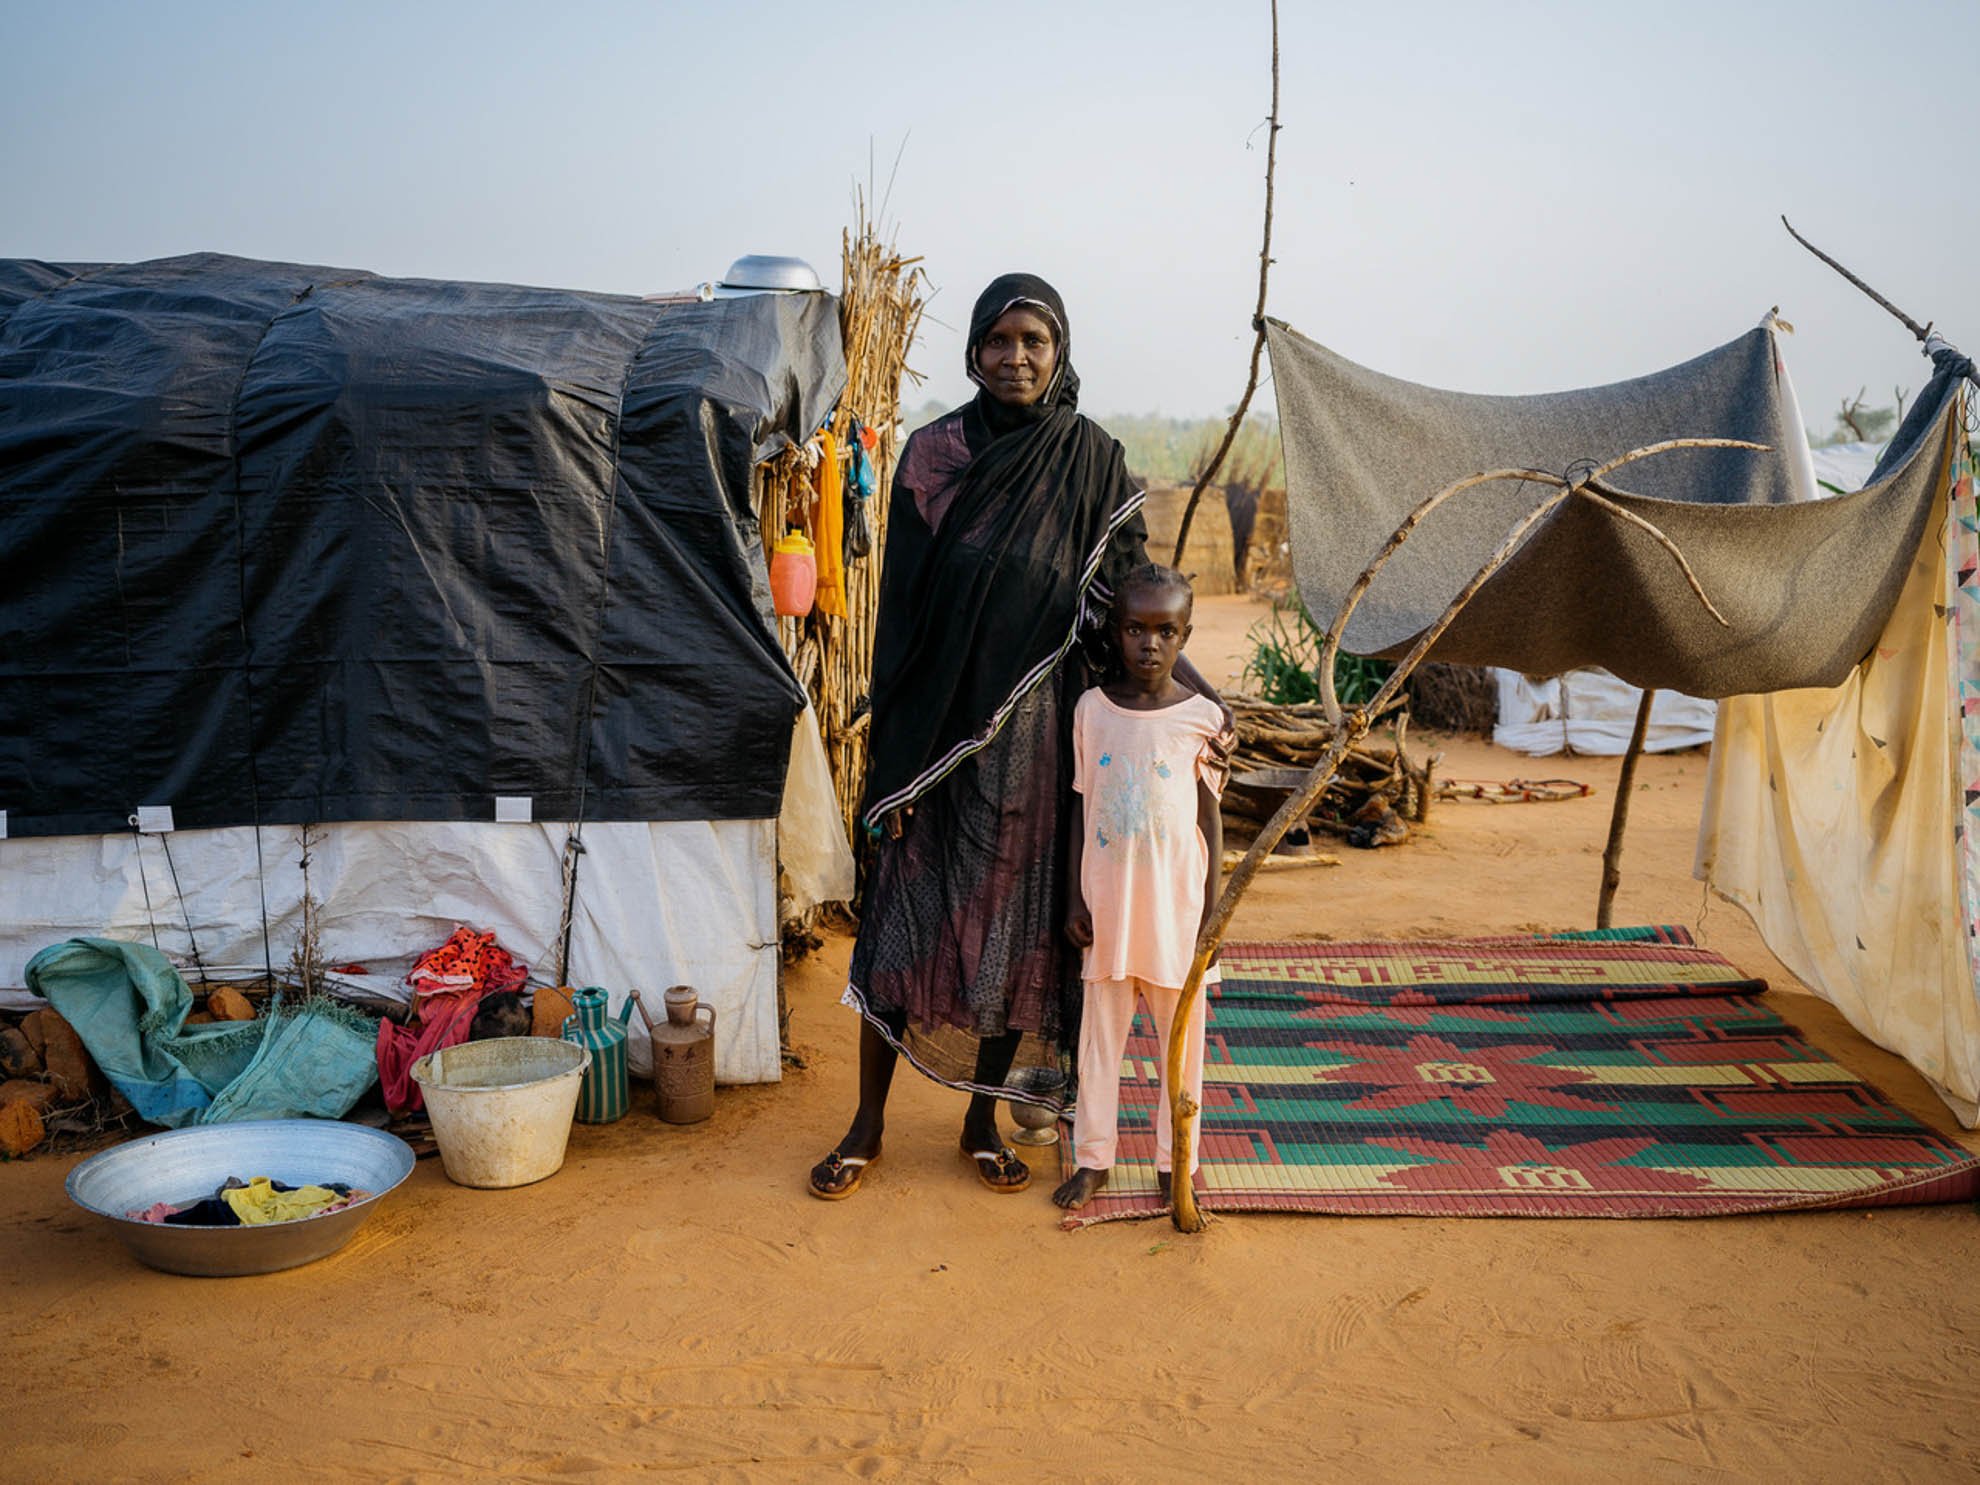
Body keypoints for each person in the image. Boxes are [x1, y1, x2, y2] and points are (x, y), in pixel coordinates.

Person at [808, 274, 1227, 1199]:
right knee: (897, 928)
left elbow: (1130, 614)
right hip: (932, 743)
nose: (1017, 357)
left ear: (1061, 348)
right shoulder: (930, 456)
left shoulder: (1092, 461)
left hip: (1039, 745)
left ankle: (979, 1123)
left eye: (1035, 339)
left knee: (1015, 936)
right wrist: (896, 766)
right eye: (999, 340)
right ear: (973, 351)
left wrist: (1208, 708)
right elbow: (903, 621)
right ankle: (866, 1125)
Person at [1052, 564, 1225, 1211]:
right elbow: (1078, 806)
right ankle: (1094, 1158)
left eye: (1164, 630)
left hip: (1177, 917)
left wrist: (1212, 916)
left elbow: (1210, 821)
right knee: (1100, 1046)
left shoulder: (1201, 718)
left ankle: (1172, 1161)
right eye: (1135, 628)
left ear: (1185, 634)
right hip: (1107, 913)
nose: (1148, 643)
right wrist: (1073, 897)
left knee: (1182, 1053)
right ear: (1115, 631)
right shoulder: (1092, 711)